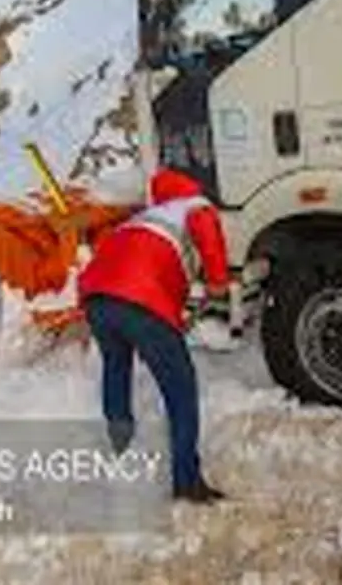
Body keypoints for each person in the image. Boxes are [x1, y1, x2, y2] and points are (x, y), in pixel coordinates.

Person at [77, 165, 230, 503]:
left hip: (97, 299)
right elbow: (210, 247)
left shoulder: (141, 219)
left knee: (116, 368)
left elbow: (129, 260)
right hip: (141, 299)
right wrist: (218, 283)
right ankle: (187, 483)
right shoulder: (196, 207)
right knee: (181, 390)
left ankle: (120, 448)